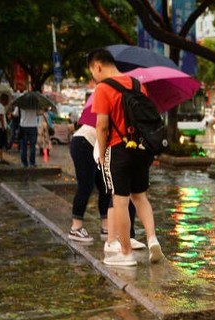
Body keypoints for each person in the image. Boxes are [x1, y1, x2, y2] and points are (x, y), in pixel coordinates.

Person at [87, 48, 163, 267]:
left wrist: (101, 155)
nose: (94, 77)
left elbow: (102, 127)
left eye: (92, 72)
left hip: (118, 149)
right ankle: (152, 239)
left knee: (119, 201)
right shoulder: (139, 85)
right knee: (140, 196)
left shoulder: (103, 88)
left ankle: (126, 253)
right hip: (141, 148)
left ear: (97, 66)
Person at [0, 94, 8, 163]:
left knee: (0, 144)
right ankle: (0, 158)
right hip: (0, 128)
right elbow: (0, 117)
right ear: (3, 100)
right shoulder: (0, 107)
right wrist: (3, 127)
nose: (7, 102)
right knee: (0, 144)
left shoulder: (0, 106)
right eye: (7, 100)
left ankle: (0, 158)